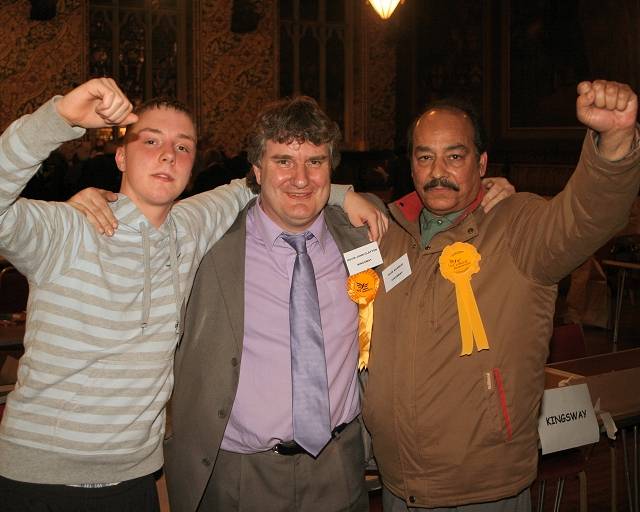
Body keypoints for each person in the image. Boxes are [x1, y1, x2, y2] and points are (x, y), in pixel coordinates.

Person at [0, 78, 382, 511]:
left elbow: (277, 185)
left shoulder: (194, 227)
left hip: (133, 478)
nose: (168, 153)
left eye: (183, 146)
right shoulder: (64, 229)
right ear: (120, 155)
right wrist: (59, 119)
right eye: (151, 140)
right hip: (39, 476)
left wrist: (339, 192)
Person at [155, 96, 514, 512]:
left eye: (316, 161)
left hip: (339, 467)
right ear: (256, 169)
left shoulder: (366, 232)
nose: (301, 178)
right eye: (283, 160)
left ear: (332, 168)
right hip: (239, 474)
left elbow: (438, 217)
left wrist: (488, 196)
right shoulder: (210, 245)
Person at [362, 79, 640, 511]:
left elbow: (587, 216)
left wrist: (616, 140)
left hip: (483, 490)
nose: (438, 171)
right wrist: (344, 194)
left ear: (482, 163)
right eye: (425, 157)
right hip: (398, 484)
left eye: (455, 156)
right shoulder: (388, 234)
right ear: (411, 166)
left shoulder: (517, 227)